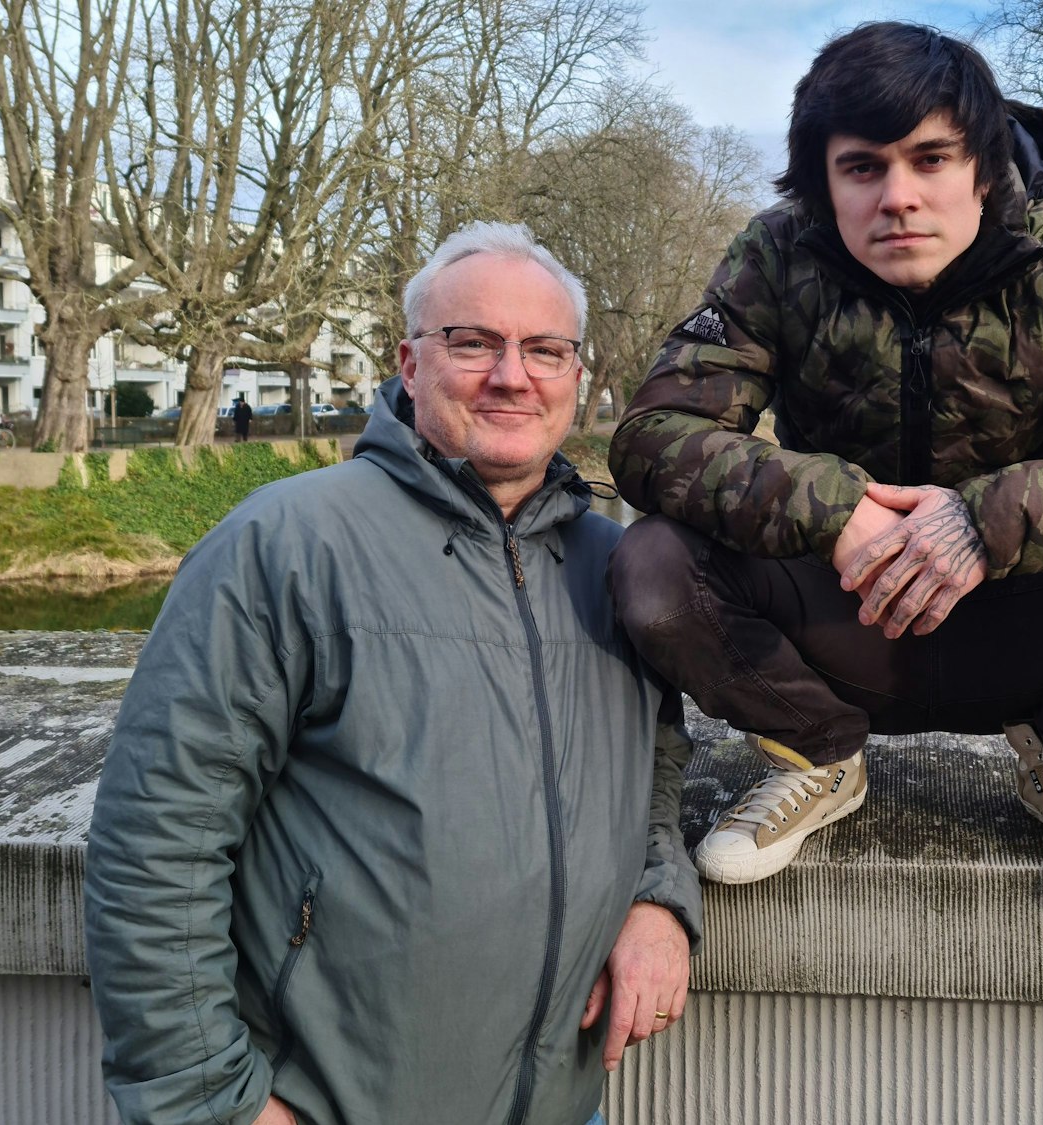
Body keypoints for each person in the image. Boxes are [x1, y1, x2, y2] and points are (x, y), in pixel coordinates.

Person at [608, 23, 1043, 903]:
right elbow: (654, 433)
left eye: (931, 160)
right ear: (823, 181)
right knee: (652, 565)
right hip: (846, 617)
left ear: (984, 168)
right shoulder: (775, 255)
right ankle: (817, 752)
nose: (899, 198)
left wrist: (988, 521)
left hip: (1035, 616)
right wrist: (833, 510)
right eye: (862, 168)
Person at [85, 221, 700, 1125]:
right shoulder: (284, 544)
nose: (512, 375)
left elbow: (654, 766)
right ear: (410, 365)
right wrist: (217, 1106)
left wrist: (658, 898)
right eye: (473, 342)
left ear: (577, 374)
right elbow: (154, 846)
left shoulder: (618, 567)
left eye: (544, 349)